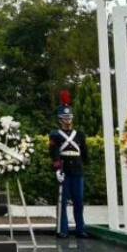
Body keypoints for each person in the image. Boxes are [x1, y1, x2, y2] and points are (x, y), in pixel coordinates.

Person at [51, 89, 90, 239]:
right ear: (60, 119)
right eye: (64, 118)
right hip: (64, 169)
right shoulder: (55, 135)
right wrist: (57, 168)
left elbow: (84, 151)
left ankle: (80, 228)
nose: (67, 120)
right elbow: (54, 152)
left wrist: (85, 164)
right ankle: (63, 229)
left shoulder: (79, 134)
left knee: (78, 201)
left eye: (69, 117)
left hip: (77, 170)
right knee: (63, 201)